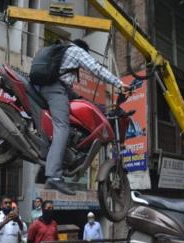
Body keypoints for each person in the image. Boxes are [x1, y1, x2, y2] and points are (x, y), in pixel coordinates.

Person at [39, 39, 130, 195]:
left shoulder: (63, 54)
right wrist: (119, 83)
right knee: (62, 127)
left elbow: (77, 96)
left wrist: (100, 108)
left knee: (86, 105)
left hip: (60, 89)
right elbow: (97, 69)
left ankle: (50, 165)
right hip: (56, 89)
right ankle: (53, 176)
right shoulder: (76, 51)